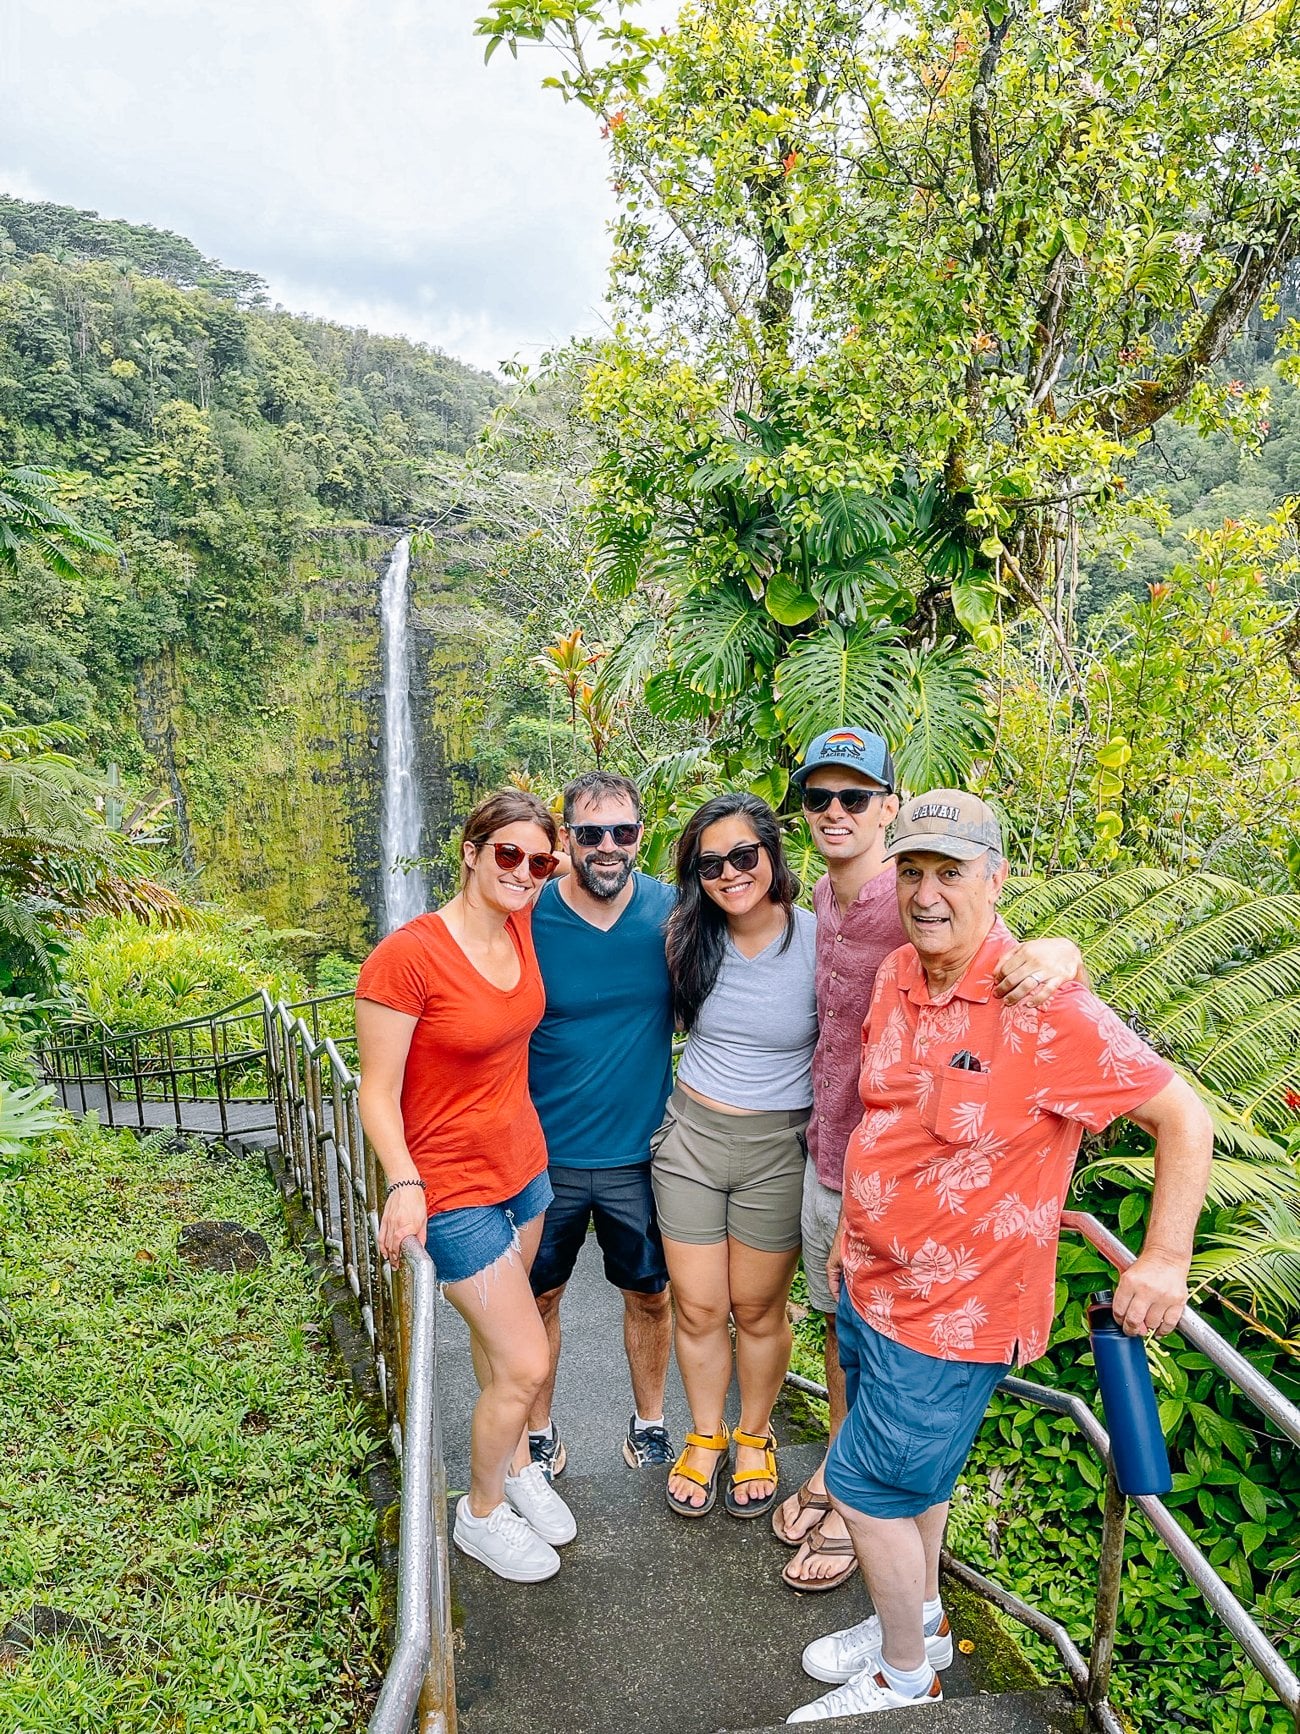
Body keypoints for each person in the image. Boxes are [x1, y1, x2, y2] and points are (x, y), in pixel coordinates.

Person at [787, 791, 1213, 1721]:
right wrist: (854, 1239)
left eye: (950, 872)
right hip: (872, 1279)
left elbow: (1183, 1115)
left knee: (864, 1491)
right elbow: (889, 1120)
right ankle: (921, 1620)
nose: (927, 893)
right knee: (916, 1487)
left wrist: (1163, 1258)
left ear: (996, 877)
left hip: (956, 1310)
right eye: (913, 871)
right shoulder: (900, 970)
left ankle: (908, 1677)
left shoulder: (1043, 1002)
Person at [775, 730, 1083, 1593]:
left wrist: (1062, 955)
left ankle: (859, 1507)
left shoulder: (917, 896)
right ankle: (846, 1480)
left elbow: (1006, 955)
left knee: (881, 1357)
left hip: (930, 1212)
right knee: (843, 1337)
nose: (835, 813)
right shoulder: (828, 903)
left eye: (855, 797)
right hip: (837, 1153)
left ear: (887, 805)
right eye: (819, 798)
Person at [354, 788, 578, 1586]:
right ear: (472, 851)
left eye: (539, 860)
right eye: (508, 853)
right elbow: (374, 1090)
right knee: (523, 1362)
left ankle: (518, 1467)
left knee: (501, 1346)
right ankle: (480, 1512)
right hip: (450, 1188)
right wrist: (403, 1180)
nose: (523, 871)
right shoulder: (407, 957)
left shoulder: (520, 922)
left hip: (524, 1171)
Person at [656, 792, 817, 1519]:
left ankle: (755, 1433)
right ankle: (706, 1434)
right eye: (710, 862)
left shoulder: (820, 939)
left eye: (743, 856)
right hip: (691, 1138)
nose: (729, 873)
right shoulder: (686, 936)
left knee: (757, 1307)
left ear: (772, 857)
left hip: (778, 1148)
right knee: (697, 1306)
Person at [524, 771, 677, 1476]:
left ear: (641, 837)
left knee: (650, 1293)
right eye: (590, 834)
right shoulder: (527, 915)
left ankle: (651, 1422)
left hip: (639, 1154)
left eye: (623, 832)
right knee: (539, 1295)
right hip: (542, 1153)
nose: (607, 846)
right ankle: (537, 1430)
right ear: (567, 841)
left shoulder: (674, 913)